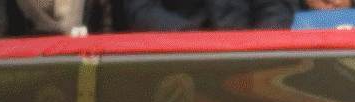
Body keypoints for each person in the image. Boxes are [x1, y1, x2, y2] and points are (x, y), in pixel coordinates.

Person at [125, 0, 293, 30]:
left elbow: (276, 11)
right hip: (172, 60)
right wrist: (189, 39)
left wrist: (253, 50)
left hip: (247, 58)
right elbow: (141, 11)